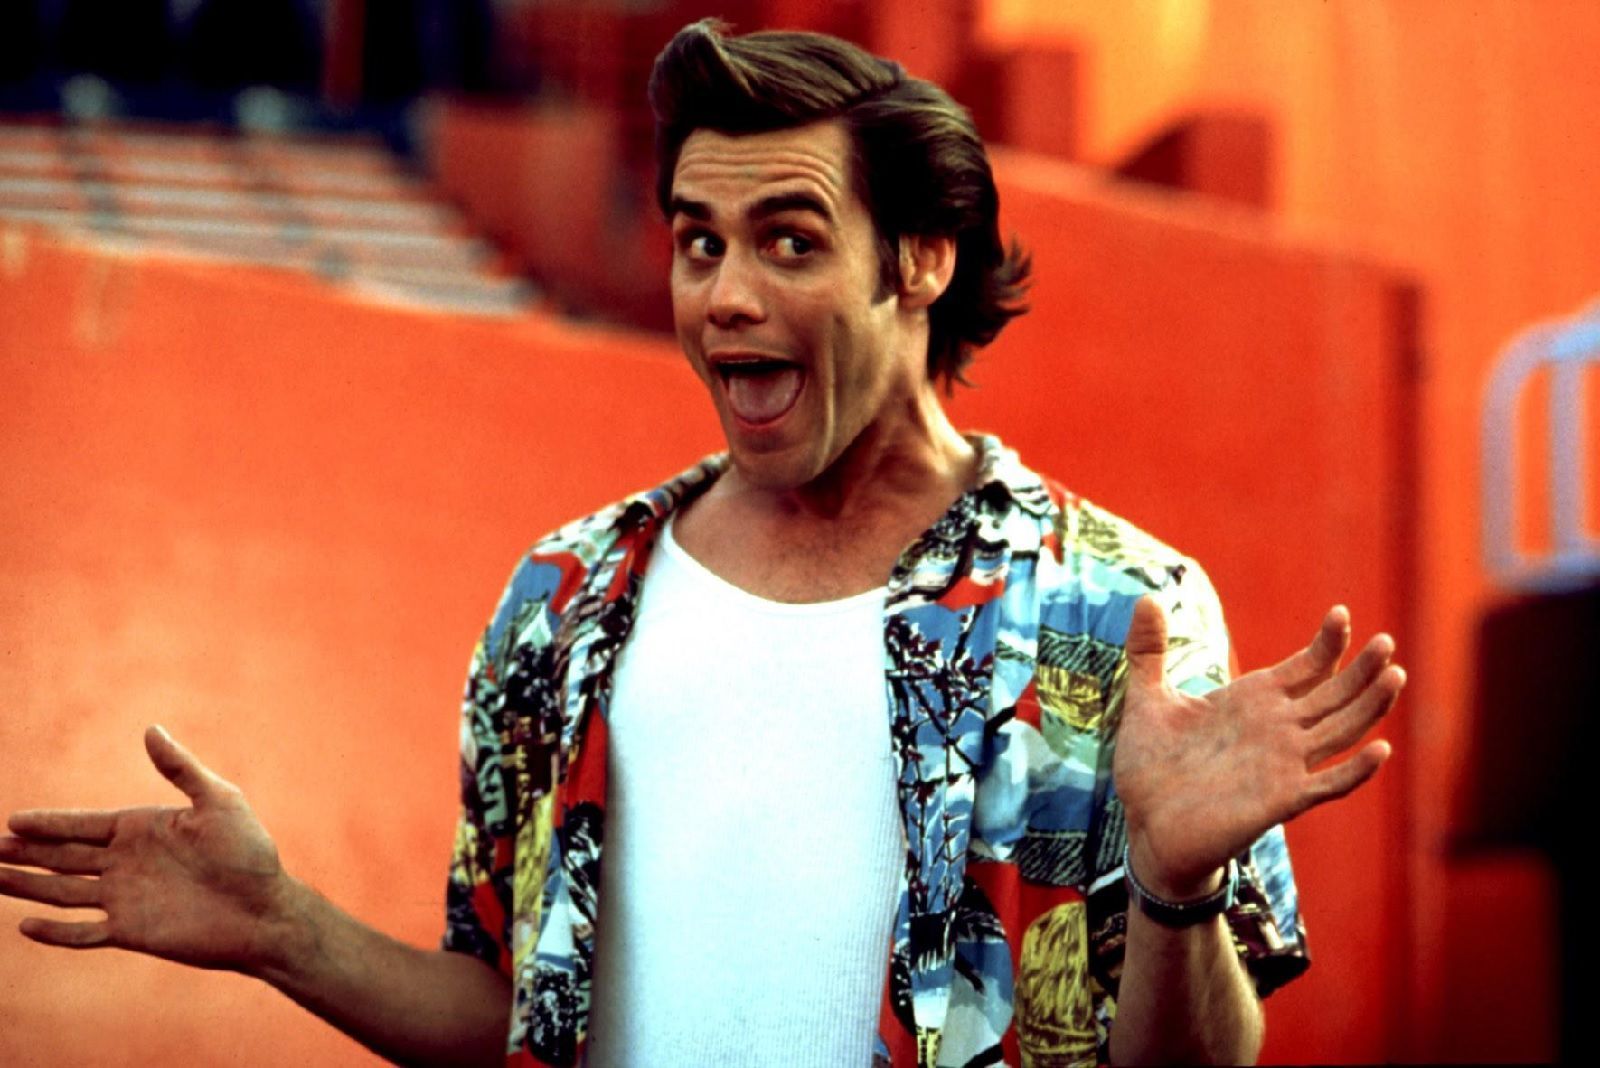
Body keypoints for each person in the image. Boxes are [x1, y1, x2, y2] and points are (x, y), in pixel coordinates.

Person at [0, 19, 1405, 1068]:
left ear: (922, 258)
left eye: (790, 241)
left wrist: (1173, 886)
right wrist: (282, 927)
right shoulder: (563, 600)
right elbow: (509, 1017)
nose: (725, 295)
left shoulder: (1121, 609)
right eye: (698, 242)